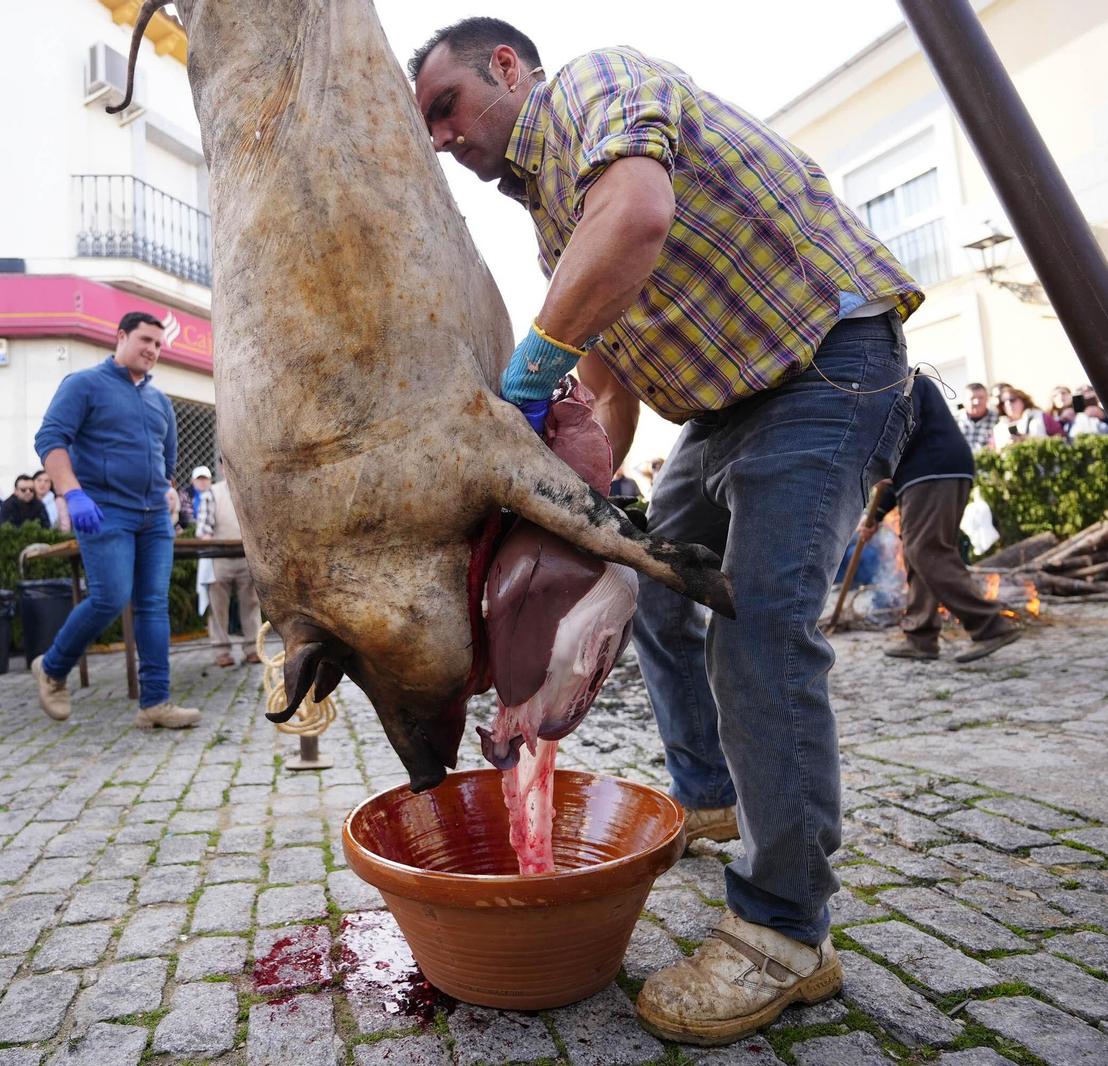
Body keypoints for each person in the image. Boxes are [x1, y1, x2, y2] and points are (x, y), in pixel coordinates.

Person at [411, 19, 923, 1041]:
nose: (439, 139)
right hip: (723, 411)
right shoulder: (551, 217)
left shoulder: (600, 83)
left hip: (825, 367)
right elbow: (607, 384)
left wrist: (522, 376)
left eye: (446, 108)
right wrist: (565, 493)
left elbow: (637, 218)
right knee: (647, 583)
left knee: (760, 629)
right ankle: (711, 797)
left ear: (505, 68)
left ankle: (784, 931)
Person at [29, 310, 201, 729]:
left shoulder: (161, 401)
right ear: (121, 337)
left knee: (154, 607)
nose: (152, 350)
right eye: (145, 340)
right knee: (109, 598)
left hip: (154, 518)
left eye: (159, 345)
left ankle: (155, 704)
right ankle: (52, 668)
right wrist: (73, 493)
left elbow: (168, 464)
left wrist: (169, 493)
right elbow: (50, 439)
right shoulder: (84, 384)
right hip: (105, 512)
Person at [859, 375, 1020, 663]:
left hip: (933, 470)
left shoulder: (902, 378)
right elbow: (892, 471)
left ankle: (991, 625)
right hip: (922, 475)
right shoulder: (888, 381)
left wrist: (879, 460)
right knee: (917, 553)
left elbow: (902, 433)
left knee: (927, 550)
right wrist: (876, 515)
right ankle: (921, 636)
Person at [204, 478, 262, 667]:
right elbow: (204, 527)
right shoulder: (212, 492)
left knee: (251, 603)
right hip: (219, 557)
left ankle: (254, 648)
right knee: (217, 605)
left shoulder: (250, 489)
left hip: (246, 557)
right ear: (221, 468)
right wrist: (207, 541)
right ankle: (221, 650)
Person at [956, 383, 999, 452]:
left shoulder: (998, 419)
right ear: (964, 401)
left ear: (987, 399)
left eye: (981, 398)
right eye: (972, 398)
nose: (976, 402)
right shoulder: (954, 421)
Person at [189, 466, 216, 535]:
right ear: (192, 481)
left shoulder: (215, 494)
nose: (203, 482)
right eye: (199, 479)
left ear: (210, 480)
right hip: (191, 532)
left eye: (205, 479)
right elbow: (185, 516)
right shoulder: (186, 494)